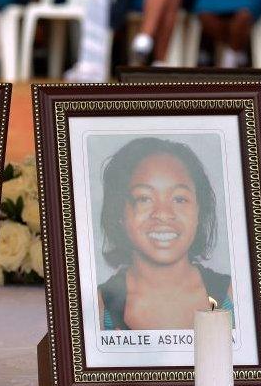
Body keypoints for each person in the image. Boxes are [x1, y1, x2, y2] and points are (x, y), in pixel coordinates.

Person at [97, 137, 232, 331]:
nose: (163, 213)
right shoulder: (97, 309)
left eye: (179, 199)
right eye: (144, 198)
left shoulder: (238, 297)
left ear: (199, 211)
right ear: (119, 212)